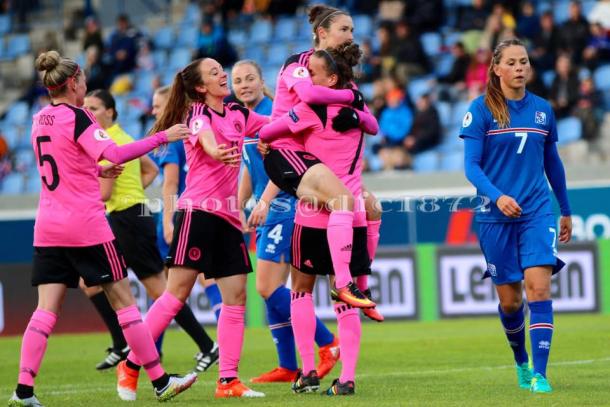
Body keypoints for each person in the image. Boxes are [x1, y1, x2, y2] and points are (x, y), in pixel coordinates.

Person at [8, 50, 196, 406]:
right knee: (124, 302)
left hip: (48, 226)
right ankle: (160, 382)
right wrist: (163, 136)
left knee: (45, 310)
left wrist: (94, 171)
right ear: (74, 83)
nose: (86, 89)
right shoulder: (78, 117)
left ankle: (23, 391)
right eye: (83, 82)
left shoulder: (38, 119)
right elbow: (118, 154)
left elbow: (61, 165)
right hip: (86, 225)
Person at [116, 57, 269, 399]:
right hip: (197, 213)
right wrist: (219, 153)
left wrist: (302, 121)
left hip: (228, 218)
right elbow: (208, 142)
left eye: (221, 70)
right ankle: (130, 363)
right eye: (215, 72)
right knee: (176, 295)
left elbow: (270, 125)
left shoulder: (239, 114)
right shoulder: (196, 114)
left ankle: (228, 380)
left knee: (236, 297)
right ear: (200, 87)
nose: (223, 74)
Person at [259, 43, 379, 396]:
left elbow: (269, 133)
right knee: (345, 303)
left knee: (301, 291)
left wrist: (266, 140)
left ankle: (309, 371)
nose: (305, 79)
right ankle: (348, 378)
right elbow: (371, 125)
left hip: (314, 215)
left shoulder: (310, 109)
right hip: (353, 213)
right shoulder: (358, 105)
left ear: (331, 77)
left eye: (312, 73)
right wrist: (357, 112)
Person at [460, 38, 572, 394]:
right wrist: (497, 196)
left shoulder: (542, 110)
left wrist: (565, 209)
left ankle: (540, 374)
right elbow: (471, 167)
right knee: (510, 301)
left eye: (524, 61)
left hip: (537, 211)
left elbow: (552, 163)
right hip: (495, 217)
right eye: (512, 62)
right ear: (497, 68)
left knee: (538, 288)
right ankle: (521, 361)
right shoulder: (480, 111)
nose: (520, 67)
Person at [81, 89, 218, 373]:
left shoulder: (106, 144)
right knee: (92, 282)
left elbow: (104, 194)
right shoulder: (122, 139)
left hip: (126, 221)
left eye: (94, 108)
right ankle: (123, 344)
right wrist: (133, 191)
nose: (89, 113)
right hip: (129, 217)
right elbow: (149, 169)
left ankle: (207, 346)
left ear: (111, 112)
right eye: (86, 108)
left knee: (160, 291)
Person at [258, 3, 379, 310]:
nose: (351, 35)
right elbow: (310, 98)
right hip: (286, 153)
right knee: (345, 203)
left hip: (308, 161)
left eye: (352, 29)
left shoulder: (340, 76)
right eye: (344, 29)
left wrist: (358, 114)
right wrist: (353, 98)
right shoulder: (300, 64)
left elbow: (370, 123)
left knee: (366, 204)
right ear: (322, 33)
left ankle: (353, 287)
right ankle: (345, 284)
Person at [232, 59, 340, 383]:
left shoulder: (273, 114)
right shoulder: (245, 120)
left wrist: (264, 202)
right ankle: (287, 365)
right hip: (266, 209)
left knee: (267, 286)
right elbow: (250, 168)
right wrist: (237, 207)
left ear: (262, 80)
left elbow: (285, 163)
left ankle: (328, 343)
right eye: (238, 81)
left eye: (250, 78)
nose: (244, 85)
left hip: (286, 205)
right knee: (271, 290)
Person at [152, 85, 223, 354]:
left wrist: (168, 222)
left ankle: (150, 352)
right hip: (203, 210)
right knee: (204, 282)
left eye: (158, 106)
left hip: (179, 214)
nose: (154, 111)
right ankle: (213, 349)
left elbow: (170, 183)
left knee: (167, 292)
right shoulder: (198, 127)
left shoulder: (172, 136)